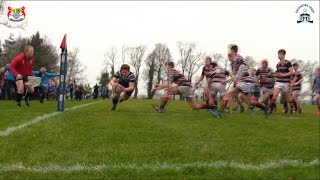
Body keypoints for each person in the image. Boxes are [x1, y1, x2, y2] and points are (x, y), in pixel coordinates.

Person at [211, 44, 269, 118]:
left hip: (245, 82)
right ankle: (265, 108)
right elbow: (234, 75)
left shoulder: (238, 57)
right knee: (251, 102)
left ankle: (219, 113)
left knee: (227, 95)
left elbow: (242, 67)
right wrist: (227, 80)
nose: (228, 55)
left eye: (229, 52)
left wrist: (236, 77)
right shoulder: (232, 64)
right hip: (243, 83)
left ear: (232, 51)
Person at [269, 49, 298, 113]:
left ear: (284, 55)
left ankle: (294, 104)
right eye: (278, 54)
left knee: (288, 100)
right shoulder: (278, 64)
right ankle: (270, 110)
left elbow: (292, 72)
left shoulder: (288, 63)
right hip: (278, 82)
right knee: (275, 94)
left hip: (286, 83)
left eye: (280, 54)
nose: (279, 56)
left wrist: (283, 75)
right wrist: (272, 74)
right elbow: (278, 73)